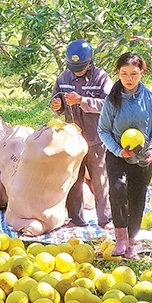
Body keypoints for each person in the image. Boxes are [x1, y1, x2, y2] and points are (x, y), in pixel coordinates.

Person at [98, 52, 152, 259]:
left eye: (134, 74)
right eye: (124, 73)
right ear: (117, 73)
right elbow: (103, 130)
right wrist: (119, 150)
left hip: (143, 157)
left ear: (142, 73)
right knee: (118, 189)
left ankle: (131, 242)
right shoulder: (112, 99)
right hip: (117, 154)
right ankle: (120, 238)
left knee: (137, 196)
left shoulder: (151, 98)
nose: (128, 78)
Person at [50, 39, 113, 229]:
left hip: (95, 138)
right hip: (73, 139)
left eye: (80, 67)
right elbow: (55, 101)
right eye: (73, 67)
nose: (76, 71)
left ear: (89, 62)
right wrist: (57, 105)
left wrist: (82, 100)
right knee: (74, 180)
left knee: (100, 179)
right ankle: (76, 219)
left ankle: (106, 219)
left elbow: (109, 105)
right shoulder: (63, 78)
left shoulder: (101, 78)